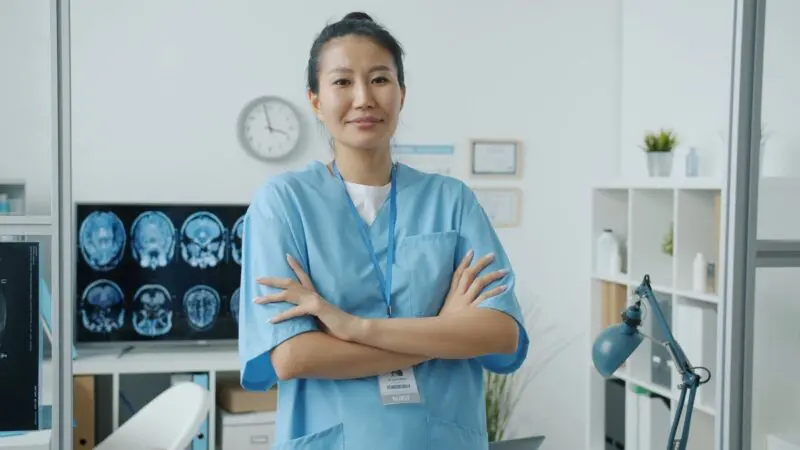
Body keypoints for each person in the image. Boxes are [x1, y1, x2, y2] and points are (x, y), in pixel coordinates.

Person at [237, 11, 530, 450]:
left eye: (379, 79)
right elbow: (294, 355)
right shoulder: (283, 204)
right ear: (315, 100)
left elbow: (499, 332)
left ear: (401, 94)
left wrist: (353, 327)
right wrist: (443, 331)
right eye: (341, 82)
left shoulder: (451, 201)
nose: (363, 98)